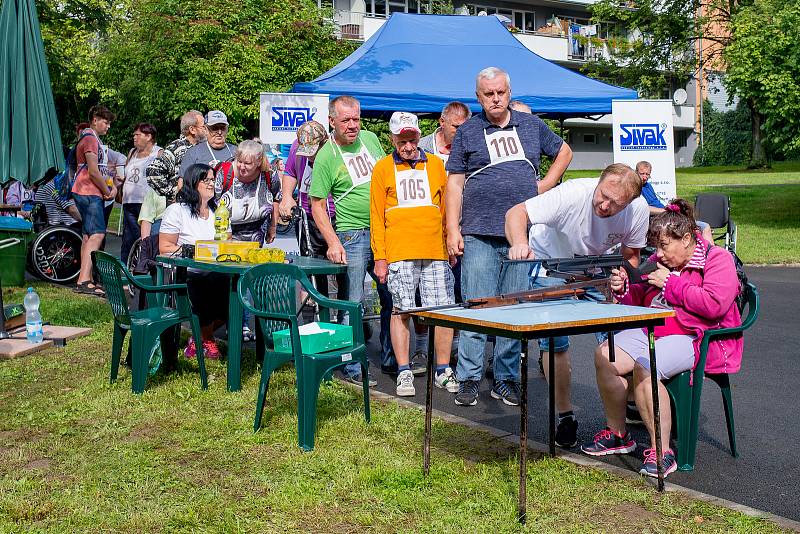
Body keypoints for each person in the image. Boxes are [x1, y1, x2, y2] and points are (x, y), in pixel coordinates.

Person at [580, 199, 743, 478]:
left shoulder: (718, 260)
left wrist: (671, 284)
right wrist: (622, 290)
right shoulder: (658, 262)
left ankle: (662, 451)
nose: (658, 254)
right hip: (651, 328)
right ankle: (619, 434)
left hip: (694, 336)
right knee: (605, 355)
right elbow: (638, 301)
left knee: (646, 364)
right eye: (655, 247)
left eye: (664, 246)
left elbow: (714, 304)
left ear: (688, 238)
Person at [445, 66, 573, 407]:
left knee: (513, 308)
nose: (495, 98)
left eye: (500, 92)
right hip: (478, 234)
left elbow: (564, 152)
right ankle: (469, 377)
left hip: (520, 237)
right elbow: (454, 184)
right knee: (477, 306)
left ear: (509, 92)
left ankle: (505, 378)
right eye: (488, 94)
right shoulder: (469, 132)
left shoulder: (530, 125)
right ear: (479, 97)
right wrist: (452, 229)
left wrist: (545, 186)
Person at [505, 163, 649, 447]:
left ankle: (625, 411)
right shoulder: (572, 194)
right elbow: (516, 213)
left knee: (620, 339)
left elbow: (631, 254)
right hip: (553, 267)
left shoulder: (639, 210)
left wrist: (621, 272)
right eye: (603, 195)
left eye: (614, 204)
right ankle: (565, 416)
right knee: (554, 343)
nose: (604, 205)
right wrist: (519, 242)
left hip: (597, 270)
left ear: (629, 203)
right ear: (599, 180)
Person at [308, 95, 395, 385]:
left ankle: (391, 357)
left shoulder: (371, 138)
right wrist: (333, 242)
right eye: (345, 120)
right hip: (352, 234)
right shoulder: (326, 155)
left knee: (391, 294)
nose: (352, 125)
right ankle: (353, 364)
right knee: (353, 301)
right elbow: (317, 204)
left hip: (383, 230)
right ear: (331, 121)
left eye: (356, 119)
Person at [371, 112, 458, 397]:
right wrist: (380, 257)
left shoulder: (435, 165)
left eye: (412, 139)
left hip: (434, 250)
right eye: (402, 140)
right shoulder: (382, 168)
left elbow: (447, 210)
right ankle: (404, 369)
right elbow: (376, 217)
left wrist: (449, 244)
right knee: (402, 311)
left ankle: (443, 368)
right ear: (392, 139)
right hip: (399, 252)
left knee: (442, 311)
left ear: (420, 136)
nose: (408, 145)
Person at [159, 163, 228, 360]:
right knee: (208, 282)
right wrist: (194, 252)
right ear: (192, 182)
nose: (211, 184)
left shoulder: (219, 212)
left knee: (235, 286)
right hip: (185, 273)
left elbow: (226, 243)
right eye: (205, 180)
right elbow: (165, 247)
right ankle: (205, 340)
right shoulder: (177, 211)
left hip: (216, 271)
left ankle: (199, 338)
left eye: (213, 180)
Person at [279, 120, 348, 301]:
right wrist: (286, 196)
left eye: (313, 152)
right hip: (308, 219)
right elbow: (290, 172)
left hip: (335, 217)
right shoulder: (297, 146)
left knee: (343, 270)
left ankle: (347, 317)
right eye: (306, 152)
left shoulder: (334, 150)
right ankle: (314, 315)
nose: (309, 156)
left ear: (324, 142)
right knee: (312, 270)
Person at [71, 105, 117, 296]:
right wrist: (107, 191)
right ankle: (84, 281)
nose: (108, 126)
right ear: (95, 120)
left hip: (85, 191)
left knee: (89, 235)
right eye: (105, 122)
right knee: (98, 234)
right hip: (88, 192)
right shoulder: (90, 139)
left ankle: (84, 278)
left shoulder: (91, 138)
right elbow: (93, 171)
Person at [216, 139, 280, 245]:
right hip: (226, 236)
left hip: (256, 236)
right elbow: (211, 203)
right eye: (239, 161)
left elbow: (276, 198)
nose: (241, 166)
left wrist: (272, 227)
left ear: (259, 161)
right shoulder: (225, 172)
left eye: (247, 163)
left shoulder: (269, 174)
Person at [147, 110, 208, 205]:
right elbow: (153, 172)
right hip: (181, 207)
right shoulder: (177, 147)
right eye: (203, 127)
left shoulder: (202, 147)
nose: (206, 130)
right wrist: (174, 193)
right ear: (192, 130)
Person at [120, 123, 161, 263]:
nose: (134, 137)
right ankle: (125, 272)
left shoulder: (158, 153)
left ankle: (143, 267)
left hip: (146, 203)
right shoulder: (132, 152)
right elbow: (126, 174)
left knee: (143, 237)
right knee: (128, 239)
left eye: (138, 135)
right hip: (129, 201)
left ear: (149, 136)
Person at [179, 110, 235, 179]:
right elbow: (182, 184)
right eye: (215, 128)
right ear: (206, 129)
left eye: (223, 128)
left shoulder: (236, 151)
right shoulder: (193, 153)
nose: (219, 132)